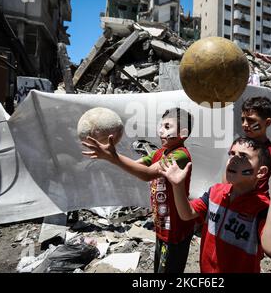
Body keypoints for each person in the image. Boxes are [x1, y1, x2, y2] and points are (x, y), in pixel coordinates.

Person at [159, 137, 271, 273]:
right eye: (232, 154)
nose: (234, 159)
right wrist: (177, 186)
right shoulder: (215, 192)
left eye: (243, 156)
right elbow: (187, 213)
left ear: (261, 172)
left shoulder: (261, 207)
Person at [82, 108, 195, 273]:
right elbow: (138, 165)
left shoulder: (180, 155)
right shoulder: (161, 152)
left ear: (183, 133)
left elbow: (147, 174)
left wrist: (114, 158)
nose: (161, 130)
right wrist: (112, 159)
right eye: (161, 126)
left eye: (168, 126)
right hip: (163, 223)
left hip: (176, 229)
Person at [240, 97, 271, 196]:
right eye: (243, 119)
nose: (244, 124)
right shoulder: (238, 146)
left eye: (251, 120)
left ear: (268, 122)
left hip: (257, 206)